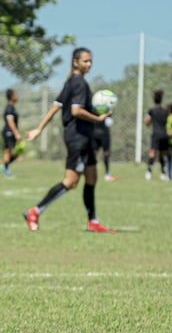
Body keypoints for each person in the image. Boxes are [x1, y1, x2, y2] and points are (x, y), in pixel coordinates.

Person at [22, 47, 114, 233]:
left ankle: (93, 221)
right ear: (75, 62)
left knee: (92, 177)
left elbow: (56, 107)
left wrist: (39, 129)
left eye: (90, 62)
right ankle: (35, 211)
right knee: (70, 181)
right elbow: (75, 111)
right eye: (85, 61)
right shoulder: (79, 83)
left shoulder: (70, 82)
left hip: (85, 139)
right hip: (77, 139)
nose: (88, 65)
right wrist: (98, 119)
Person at [144, 89, 169, 180]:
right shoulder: (165, 111)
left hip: (156, 134)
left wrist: (147, 122)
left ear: (154, 100)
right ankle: (163, 174)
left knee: (152, 153)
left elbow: (147, 122)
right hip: (164, 134)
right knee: (162, 155)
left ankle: (149, 172)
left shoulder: (152, 111)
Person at [0, 88, 23, 178]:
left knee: (17, 152)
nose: (17, 96)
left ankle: (5, 166)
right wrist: (16, 133)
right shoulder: (9, 108)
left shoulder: (12, 107)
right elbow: (10, 121)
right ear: (11, 96)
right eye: (15, 94)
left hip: (11, 132)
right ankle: (6, 170)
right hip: (9, 132)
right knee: (8, 151)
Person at [92, 103, 115, 183]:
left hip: (103, 135)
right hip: (96, 135)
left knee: (106, 154)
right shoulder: (93, 110)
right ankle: (91, 173)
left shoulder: (107, 112)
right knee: (93, 155)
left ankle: (107, 174)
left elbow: (109, 123)